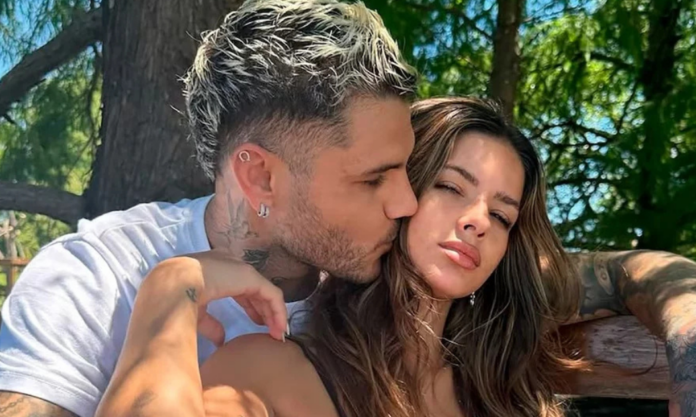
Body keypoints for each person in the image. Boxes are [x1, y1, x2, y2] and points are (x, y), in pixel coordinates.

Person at [0, 1, 694, 416]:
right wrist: (172, 289)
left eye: (503, 214)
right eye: (377, 178)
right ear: (260, 176)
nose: (405, 200)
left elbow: (624, 272)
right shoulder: (95, 280)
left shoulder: (390, 265)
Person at [96, 97, 585, 417]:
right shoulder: (271, 371)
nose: (478, 220)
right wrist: (170, 288)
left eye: (501, 216)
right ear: (395, 192)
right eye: (451, 187)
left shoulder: (511, 397)